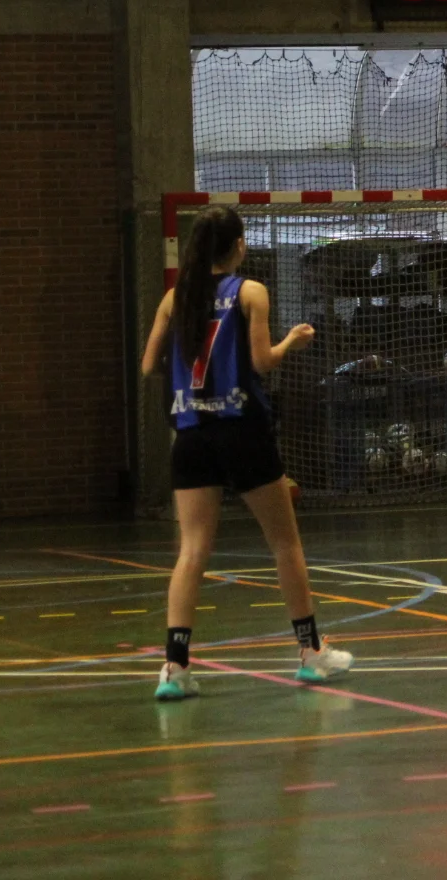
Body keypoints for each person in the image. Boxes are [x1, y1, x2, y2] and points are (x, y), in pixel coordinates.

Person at [138, 205, 353, 701]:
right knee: (284, 545)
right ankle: (311, 653)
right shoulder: (250, 291)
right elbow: (261, 362)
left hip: (191, 435)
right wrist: (292, 341)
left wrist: (190, 365)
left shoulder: (175, 297)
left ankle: (174, 667)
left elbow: (150, 365)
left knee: (192, 551)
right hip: (242, 430)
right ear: (238, 245)